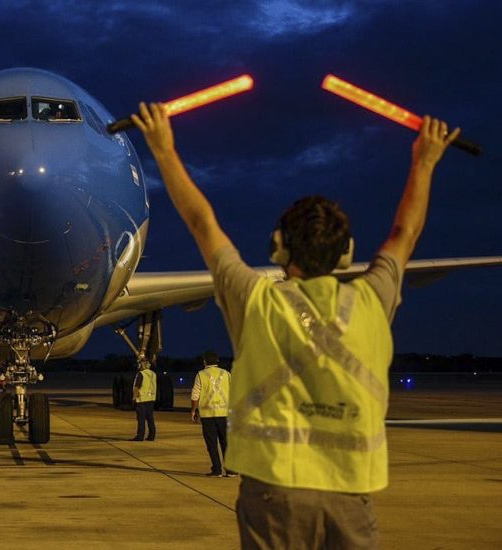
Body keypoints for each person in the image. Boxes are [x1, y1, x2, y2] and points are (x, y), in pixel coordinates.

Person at [133, 102, 459, 548]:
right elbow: (405, 233)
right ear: (347, 254)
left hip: (274, 498)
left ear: (277, 249)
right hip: (350, 500)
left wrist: (163, 150)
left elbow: (202, 222)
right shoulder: (371, 299)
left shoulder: (256, 301)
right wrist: (425, 161)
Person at [190, 351, 232, 477]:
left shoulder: (201, 375)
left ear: (205, 361)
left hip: (208, 415)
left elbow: (195, 395)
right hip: (224, 414)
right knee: (226, 443)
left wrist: (193, 410)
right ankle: (231, 470)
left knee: (212, 444)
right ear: (217, 361)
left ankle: (217, 470)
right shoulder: (227, 374)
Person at [130, 357, 157, 441]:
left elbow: (137, 387)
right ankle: (152, 435)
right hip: (151, 399)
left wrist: (134, 398)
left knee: (141, 419)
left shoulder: (141, 374)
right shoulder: (153, 374)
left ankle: (140, 436)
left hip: (142, 400)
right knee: (150, 418)